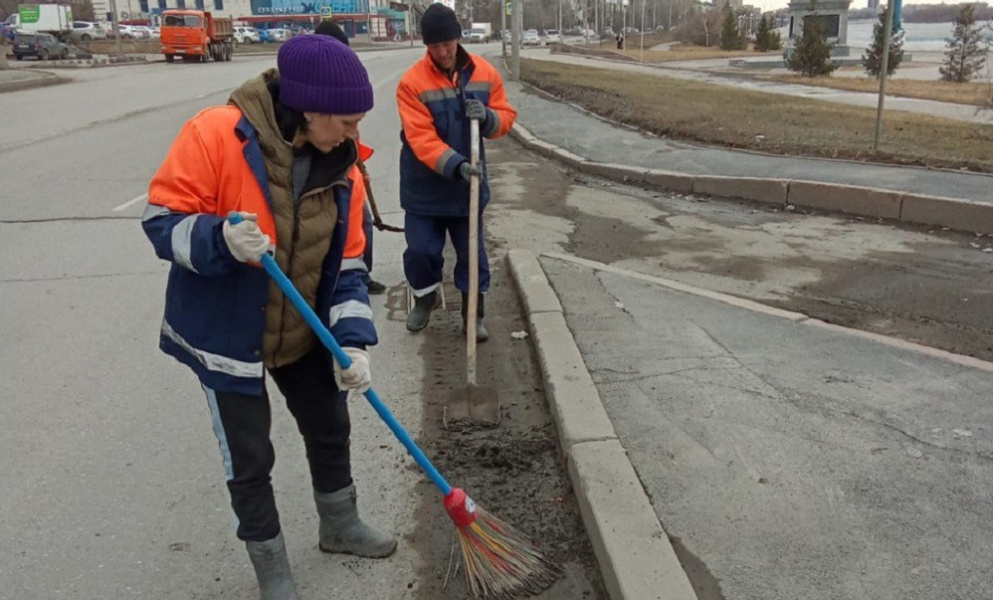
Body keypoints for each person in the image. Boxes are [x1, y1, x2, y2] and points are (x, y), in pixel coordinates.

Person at [141, 35, 396, 600]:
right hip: (227, 334)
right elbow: (161, 222)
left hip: (302, 329)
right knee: (251, 455)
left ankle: (340, 524)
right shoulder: (216, 134)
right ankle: (271, 566)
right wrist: (220, 238)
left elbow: (349, 266)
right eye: (348, 121)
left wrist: (353, 343)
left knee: (330, 425)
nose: (355, 134)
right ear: (310, 109)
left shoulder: (344, 170)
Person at [397, 3, 517, 341]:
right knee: (421, 252)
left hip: (469, 188)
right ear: (426, 46)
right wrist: (456, 164)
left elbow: (506, 115)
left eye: (447, 44)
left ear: (458, 38)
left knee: (472, 255)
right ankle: (425, 297)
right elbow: (421, 139)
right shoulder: (411, 83)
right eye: (434, 46)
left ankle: (472, 314)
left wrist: (490, 118)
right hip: (425, 188)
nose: (442, 52)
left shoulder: (484, 73)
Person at [314, 19, 387, 295]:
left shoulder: (341, 86)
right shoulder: (312, 92)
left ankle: (359, 277)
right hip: (323, 178)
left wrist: (360, 167)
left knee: (363, 224)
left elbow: (350, 135)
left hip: (345, 169)